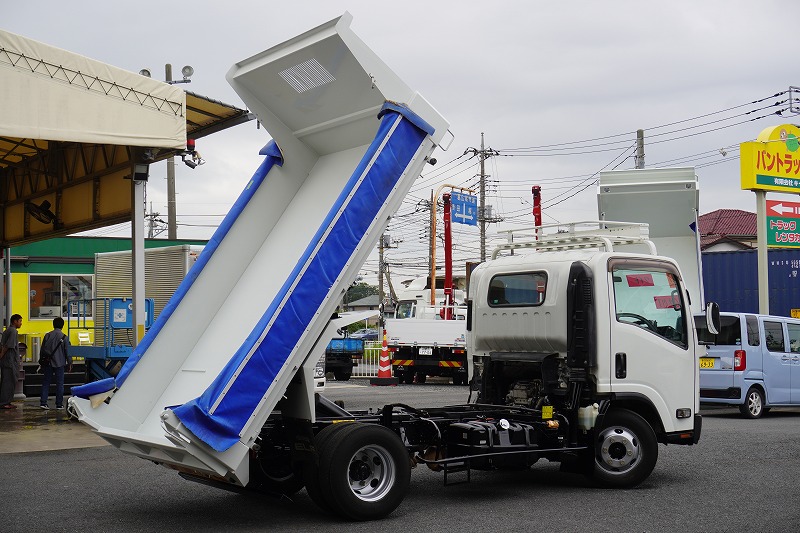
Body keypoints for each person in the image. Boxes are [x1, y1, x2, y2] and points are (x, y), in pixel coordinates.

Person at [40, 317, 71, 410]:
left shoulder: (47, 335)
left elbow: (42, 350)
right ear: (62, 326)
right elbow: (68, 352)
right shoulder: (65, 337)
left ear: (53, 325)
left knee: (46, 382)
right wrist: (70, 363)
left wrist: (41, 361)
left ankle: (43, 402)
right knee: (60, 384)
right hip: (60, 363)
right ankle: (59, 404)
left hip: (48, 363)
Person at [0, 314, 23, 410]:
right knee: (9, 382)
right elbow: (8, 346)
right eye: (20, 321)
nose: (21, 323)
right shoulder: (13, 331)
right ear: (15, 321)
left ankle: (6, 401)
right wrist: (1, 355)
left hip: (8, 361)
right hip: (10, 361)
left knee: (7, 381)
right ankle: (5, 402)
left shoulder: (8, 331)